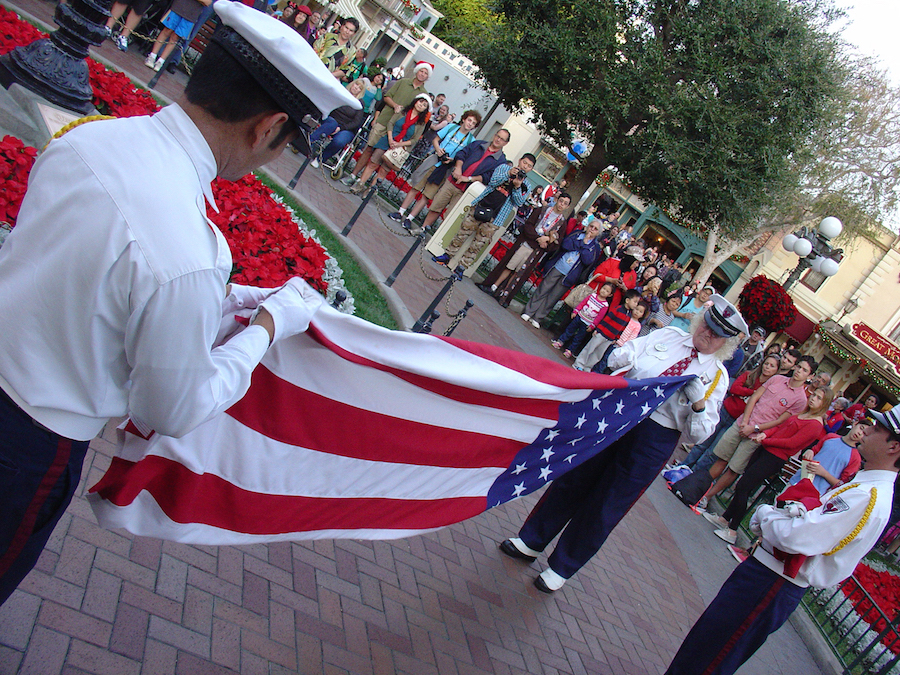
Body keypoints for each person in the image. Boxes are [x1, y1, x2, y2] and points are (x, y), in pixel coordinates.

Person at [0, 2, 358, 605]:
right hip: (28, 442)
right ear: (268, 127)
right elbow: (174, 406)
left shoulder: (95, 134)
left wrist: (213, 302)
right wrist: (266, 328)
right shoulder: (191, 252)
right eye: (283, 143)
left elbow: (89, 281)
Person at [499, 296, 747, 592]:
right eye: (707, 325)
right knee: (575, 477)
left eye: (716, 334)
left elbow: (699, 435)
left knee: (608, 503)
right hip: (619, 414)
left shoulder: (716, 378)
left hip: (655, 437)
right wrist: (626, 361)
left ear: (726, 344)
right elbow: (625, 353)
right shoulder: (668, 336)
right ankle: (531, 540)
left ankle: (562, 566)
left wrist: (698, 403)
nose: (707, 333)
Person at [666, 409, 899, 675]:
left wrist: (765, 515)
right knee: (704, 646)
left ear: (894, 446)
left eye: (877, 428)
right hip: (769, 575)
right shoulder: (865, 488)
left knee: (710, 656)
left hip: (774, 579)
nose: (866, 429)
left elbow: (796, 537)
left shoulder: (868, 496)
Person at [703, 384, 832, 545]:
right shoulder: (803, 414)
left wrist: (767, 439)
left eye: (819, 398)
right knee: (743, 485)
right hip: (764, 448)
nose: (813, 399)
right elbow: (780, 426)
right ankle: (725, 518)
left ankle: (733, 529)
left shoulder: (815, 424)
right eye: (814, 395)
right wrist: (766, 434)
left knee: (744, 486)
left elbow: (792, 443)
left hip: (775, 457)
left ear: (825, 404)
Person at [702, 355, 816, 505]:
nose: (799, 371)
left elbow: (780, 421)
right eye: (799, 367)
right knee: (721, 458)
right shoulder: (777, 379)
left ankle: (708, 497)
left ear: (810, 376)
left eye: (804, 370)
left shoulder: (800, 400)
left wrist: (754, 428)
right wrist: (745, 421)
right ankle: (701, 489)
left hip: (756, 435)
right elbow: (755, 397)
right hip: (742, 422)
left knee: (734, 468)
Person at [683, 354, 782, 477]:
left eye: (772, 366)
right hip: (725, 410)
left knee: (713, 451)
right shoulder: (749, 375)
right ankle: (684, 466)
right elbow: (735, 388)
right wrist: (753, 392)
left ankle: (692, 475)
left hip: (736, 420)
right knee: (703, 442)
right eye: (766, 364)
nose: (767, 367)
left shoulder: (769, 389)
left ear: (776, 371)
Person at [432, 155, 535, 269]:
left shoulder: (527, 185)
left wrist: (517, 187)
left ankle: (461, 267)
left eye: (529, 166)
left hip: (497, 216)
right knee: (463, 232)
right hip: (482, 205)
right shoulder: (504, 168)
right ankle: (447, 256)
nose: (525, 166)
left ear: (531, 169)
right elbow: (493, 181)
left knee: (478, 243)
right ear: (519, 161)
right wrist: (508, 174)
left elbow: (519, 201)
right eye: (524, 163)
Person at [387, 110, 481, 228]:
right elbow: (436, 139)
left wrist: (452, 160)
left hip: (446, 168)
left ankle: (410, 218)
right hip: (434, 159)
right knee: (416, 187)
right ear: (464, 119)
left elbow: (464, 157)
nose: (470, 124)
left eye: (473, 123)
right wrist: (438, 150)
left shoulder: (470, 140)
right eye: (469, 120)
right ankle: (400, 212)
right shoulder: (452, 127)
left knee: (427, 195)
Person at [343, 61, 432, 186]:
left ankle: (367, 186)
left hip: (399, 131)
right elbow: (386, 96)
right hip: (385, 121)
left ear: (428, 77)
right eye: (421, 71)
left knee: (385, 162)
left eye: (425, 73)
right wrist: (395, 105)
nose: (422, 74)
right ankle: (353, 175)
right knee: (369, 149)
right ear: (416, 71)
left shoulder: (424, 94)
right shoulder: (402, 82)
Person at [410, 129, 510, 236]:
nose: (498, 140)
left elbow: (489, 177)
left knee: (450, 216)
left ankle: (436, 240)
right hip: (453, 181)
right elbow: (462, 153)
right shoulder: (478, 144)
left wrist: (469, 179)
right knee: (436, 206)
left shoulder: (501, 161)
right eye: (497, 136)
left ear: (506, 143)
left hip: (467, 190)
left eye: (502, 139)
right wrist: (458, 167)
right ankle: (422, 229)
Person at [478, 192, 570, 304]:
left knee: (519, 273)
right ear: (556, 200)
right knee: (510, 266)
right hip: (526, 243)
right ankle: (493, 286)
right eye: (561, 201)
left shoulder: (562, 223)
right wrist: (538, 238)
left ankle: (504, 294)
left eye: (565, 204)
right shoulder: (542, 210)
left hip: (536, 252)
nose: (561, 205)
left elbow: (557, 242)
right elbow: (528, 225)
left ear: (567, 207)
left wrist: (546, 241)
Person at [520, 220, 602, 329]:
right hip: (559, 266)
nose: (592, 229)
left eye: (595, 229)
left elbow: (587, 260)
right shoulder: (577, 234)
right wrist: (582, 243)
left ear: (598, 233)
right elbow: (566, 244)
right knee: (543, 289)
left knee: (553, 297)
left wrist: (583, 245)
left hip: (571, 275)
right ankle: (528, 311)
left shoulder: (595, 247)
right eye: (591, 226)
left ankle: (538, 317)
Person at [350, 93, 431, 194]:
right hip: (388, 140)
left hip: (400, 147)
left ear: (425, 110)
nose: (421, 105)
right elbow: (391, 123)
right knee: (373, 163)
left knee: (384, 170)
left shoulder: (421, 123)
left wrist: (400, 144)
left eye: (424, 105)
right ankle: (360, 184)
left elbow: (415, 139)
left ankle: (370, 191)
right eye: (420, 102)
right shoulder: (402, 111)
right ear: (416, 100)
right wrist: (390, 138)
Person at [785, 419, 869, 494]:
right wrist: (809, 451)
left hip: (814, 494)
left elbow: (842, 485)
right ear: (855, 424)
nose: (859, 433)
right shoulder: (830, 437)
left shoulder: (856, 458)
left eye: (864, 434)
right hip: (796, 481)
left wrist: (824, 474)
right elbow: (814, 451)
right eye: (861, 428)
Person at [572, 290, 642, 371]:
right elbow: (607, 319)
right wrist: (598, 329)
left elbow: (623, 328)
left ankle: (587, 367)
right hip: (602, 333)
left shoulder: (629, 314)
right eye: (635, 302)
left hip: (610, 338)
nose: (635, 304)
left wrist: (616, 338)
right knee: (589, 349)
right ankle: (579, 364)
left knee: (598, 354)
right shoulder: (618, 309)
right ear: (627, 300)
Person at [308, 78, 367, 168]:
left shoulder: (360, 103)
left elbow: (356, 121)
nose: (356, 88)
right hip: (331, 119)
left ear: (361, 92)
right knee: (332, 124)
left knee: (340, 141)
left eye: (359, 88)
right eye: (356, 85)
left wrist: (341, 128)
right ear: (352, 84)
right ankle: (309, 143)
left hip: (346, 128)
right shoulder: (341, 92)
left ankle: (320, 159)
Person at [551, 282, 615, 358]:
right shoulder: (592, 296)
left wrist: (593, 325)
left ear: (610, 295)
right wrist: (576, 311)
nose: (604, 291)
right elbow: (583, 303)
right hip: (579, 316)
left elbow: (599, 317)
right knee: (570, 329)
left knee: (579, 337)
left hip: (587, 323)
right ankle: (560, 341)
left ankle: (570, 350)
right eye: (604, 288)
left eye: (607, 291)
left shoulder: (605, 305)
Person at [144, 0, 212, 72]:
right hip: (179, 7)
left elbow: (208, 2)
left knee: (175, 37)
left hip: (192, 14)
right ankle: (152, 56)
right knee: (167, 31)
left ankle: (161, 61)